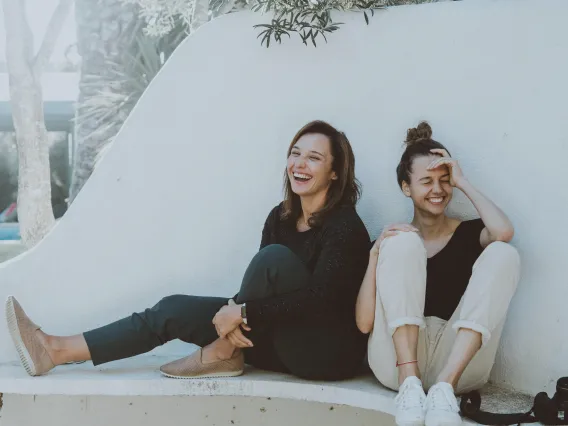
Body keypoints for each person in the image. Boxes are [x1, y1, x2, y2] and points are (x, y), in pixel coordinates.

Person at [6, 120, 370, 381]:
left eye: (314, 158)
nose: (299, 164)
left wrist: (241, 310)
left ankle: (224, 353)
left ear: (335, 173)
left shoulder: (344, 226)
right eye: (295, 153)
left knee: (271, 259)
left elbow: (323, 300)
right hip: (279, 339)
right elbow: (263, 290)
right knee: (171, 309)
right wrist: (236, 312)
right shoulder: (282, 216)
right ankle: (55, 350)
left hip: (324, 354)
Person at [355, 122, 520, 426]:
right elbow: (364, 323)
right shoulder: (392, 242)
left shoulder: (469, 233)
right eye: (426, 181)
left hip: (457, 366)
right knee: (403, 240)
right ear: (406, 187)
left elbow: (504, 231)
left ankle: (443, 388)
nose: (438, 190)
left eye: (444, 181)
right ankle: (410, 382)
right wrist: (374, 255)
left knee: (503, 252)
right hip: (395, 363)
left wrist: (463, 182)